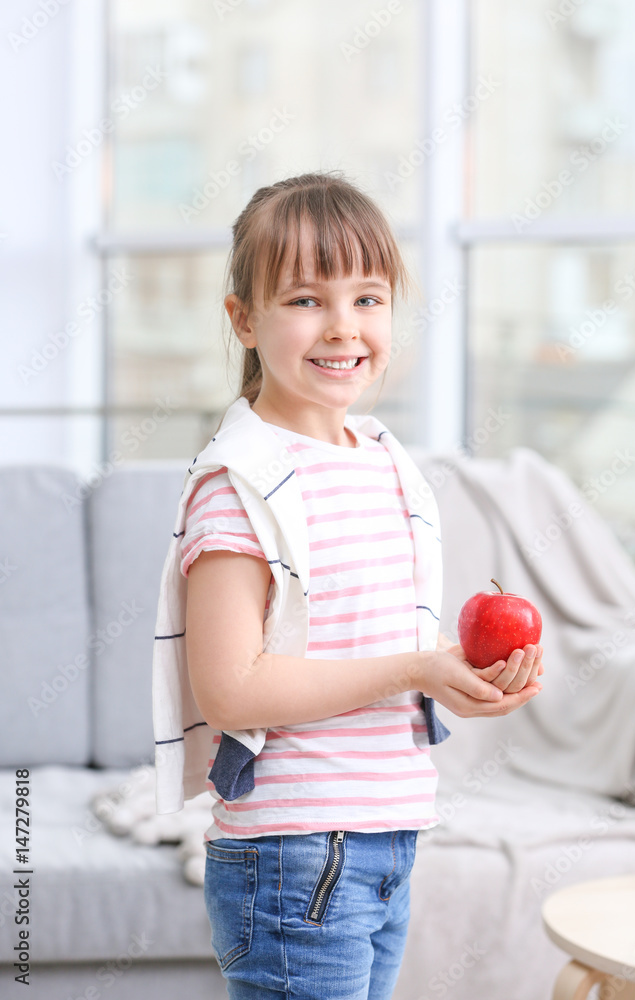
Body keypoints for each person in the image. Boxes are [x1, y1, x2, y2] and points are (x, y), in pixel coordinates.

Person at [162, 170, 544, 1000]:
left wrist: (457, 672)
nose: (344, 327)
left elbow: (366, 647)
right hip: (298, 851)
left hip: (384, 839)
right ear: (244, 321)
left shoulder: (379, 461)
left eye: (369, 299)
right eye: (305, 299)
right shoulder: (240, 483)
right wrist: (413, 670)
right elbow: (231, 690)